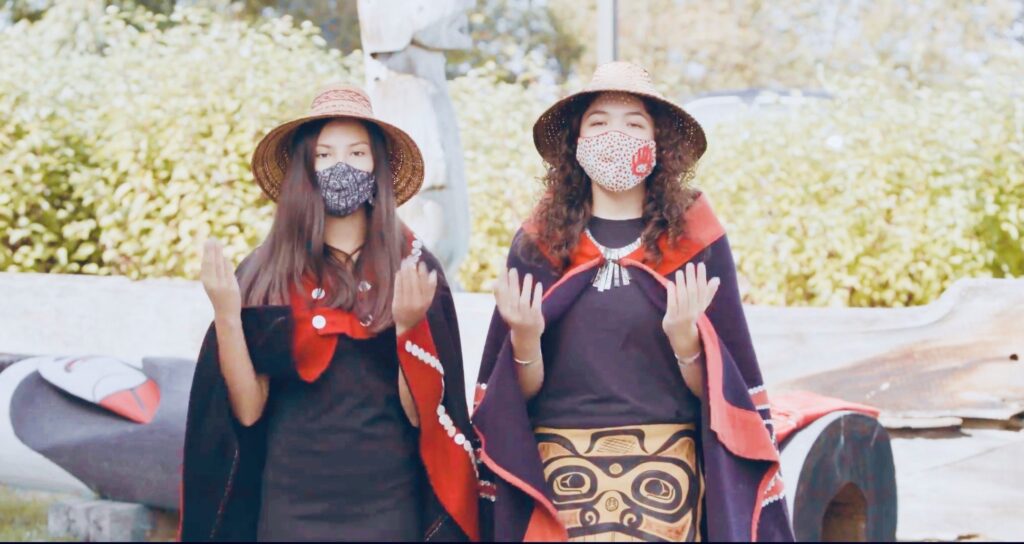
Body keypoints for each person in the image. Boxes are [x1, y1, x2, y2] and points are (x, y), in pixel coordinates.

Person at [472, 62, 794, 541]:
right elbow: (513, 398)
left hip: (666, 474)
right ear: (576, 145)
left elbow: (723, 397)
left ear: (658, 144)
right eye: (598, 122)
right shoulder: (537, 243)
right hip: (560, 472)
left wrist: (685, 339)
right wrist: (525, 337)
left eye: (634, 122)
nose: (615, 134)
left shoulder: (697, 242)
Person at [178, 85, 478, 542]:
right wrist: (226, 315)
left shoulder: (412, 265)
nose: (342, 166)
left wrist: (409, 325)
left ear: (377, 166)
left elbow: (422, 416)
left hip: (387, 504)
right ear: (306, 168)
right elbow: (248, 408)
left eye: (357, 153)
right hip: (289, 504)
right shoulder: (266, 269)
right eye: (325, 155)